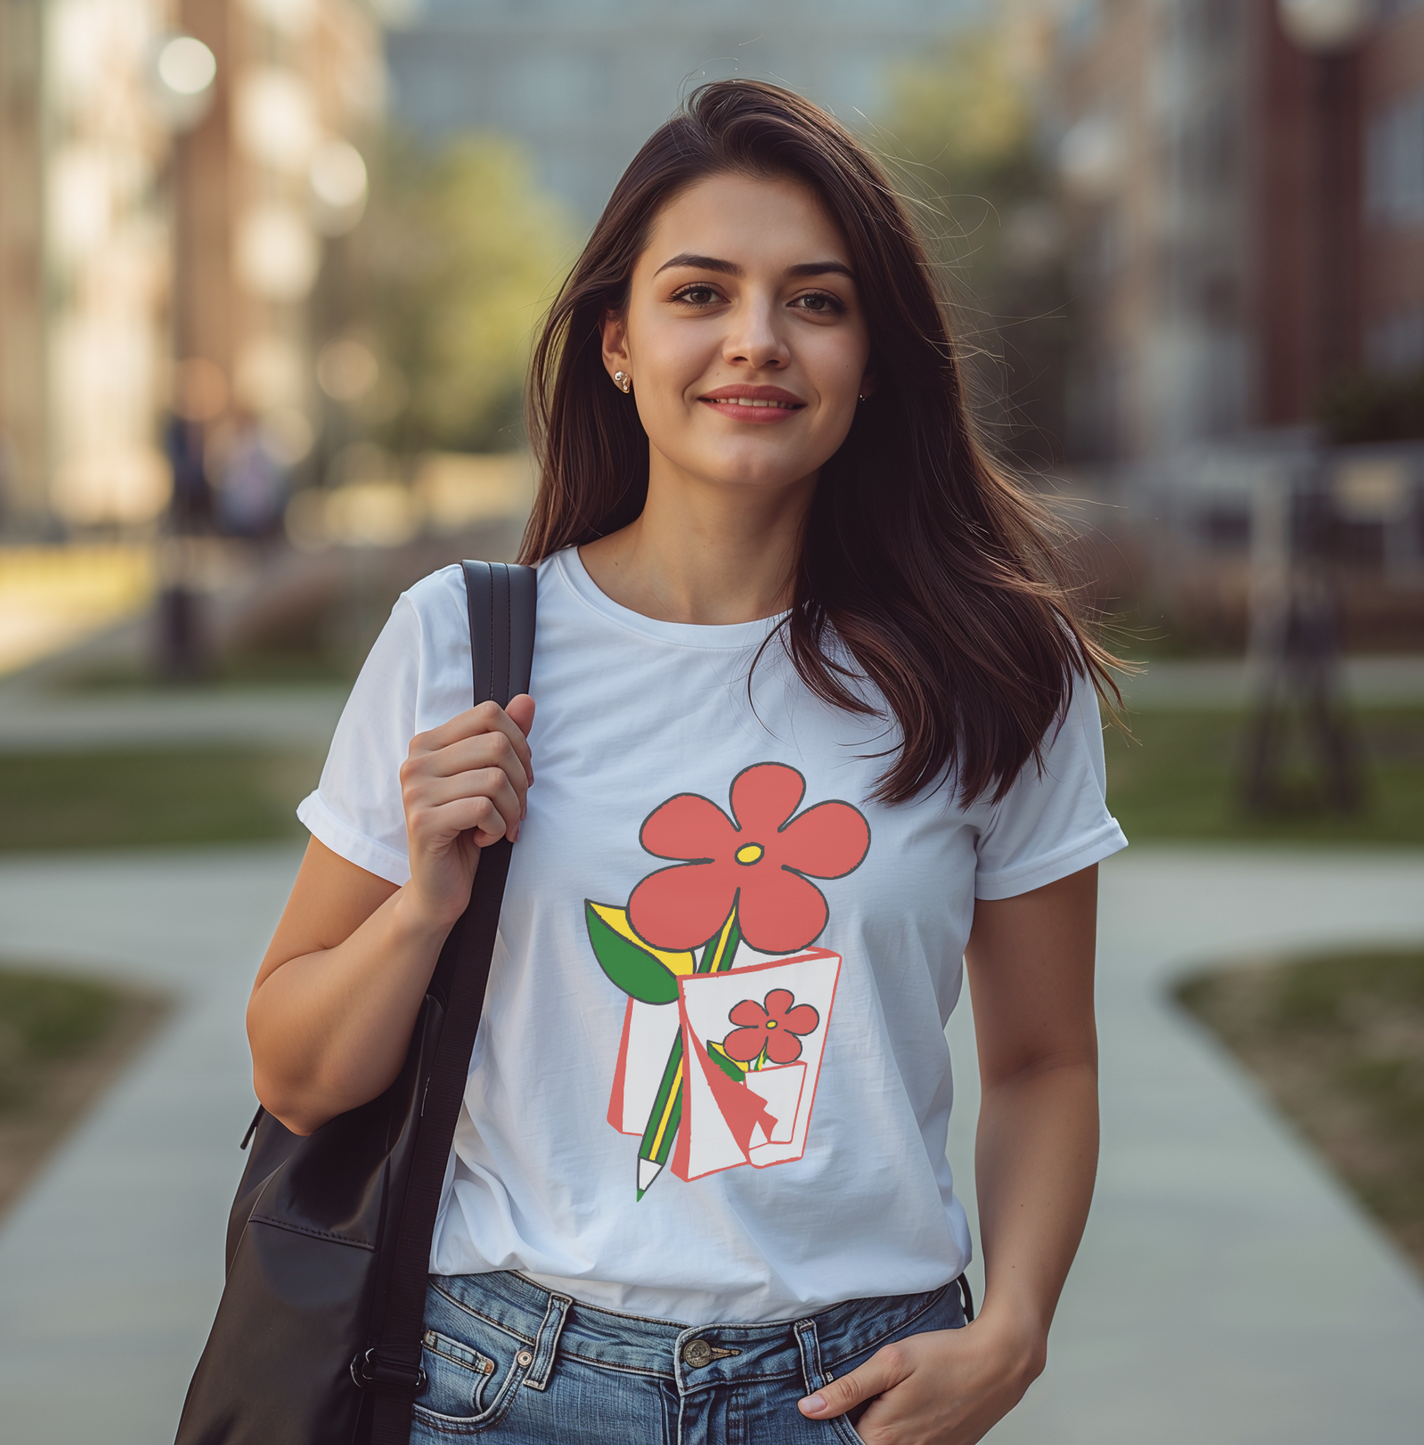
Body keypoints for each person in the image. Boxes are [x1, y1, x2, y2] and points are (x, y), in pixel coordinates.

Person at [246, 81, 1127, 1445]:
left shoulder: (997, 674)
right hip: (499, 1383)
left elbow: (1042, 1060)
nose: (756, 343)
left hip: (862, 1391)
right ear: (615, 340)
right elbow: (296, 1075)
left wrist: (1012, 1330)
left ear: (875, 356)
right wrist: (424, 903)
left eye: (816, 302)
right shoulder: (465, 642)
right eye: (700, 294)